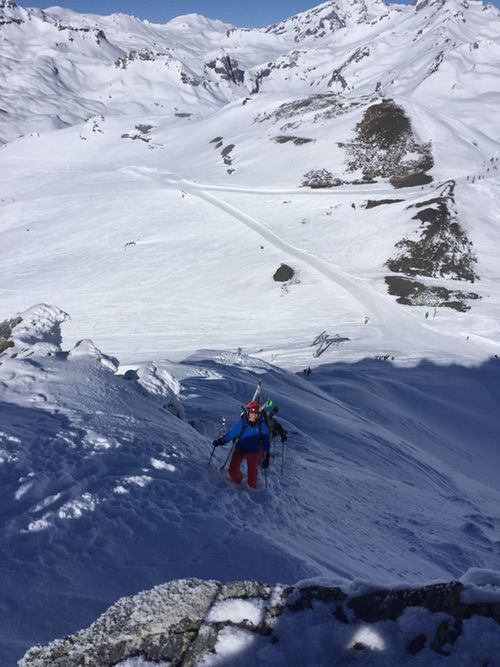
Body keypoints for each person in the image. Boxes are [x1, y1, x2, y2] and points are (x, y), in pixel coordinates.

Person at [212, 401, 270, 488]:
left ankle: (252, 490)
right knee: (232, 471)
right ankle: (238, 481)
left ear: (259, 414)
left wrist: (267, 457)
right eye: (251, 413)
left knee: (252, 474)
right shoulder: (242, 422)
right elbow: (231, 434)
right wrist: (221, 441)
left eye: (255, 413)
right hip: (240, 449)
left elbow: (266, 443)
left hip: (254, 452)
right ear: (247, 412)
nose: (253, 415)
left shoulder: (262, 426)